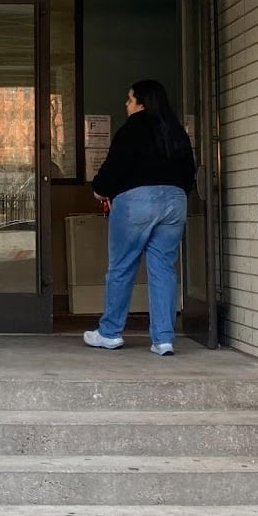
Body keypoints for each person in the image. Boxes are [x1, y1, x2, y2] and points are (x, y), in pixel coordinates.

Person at [82, 79, 196, 356]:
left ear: (141, 103)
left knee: (121, 267)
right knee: (163, 268)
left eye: (130, 99)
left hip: (136, 202)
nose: (126, 104)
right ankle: (163, 339)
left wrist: (100, 189)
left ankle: (110, 332)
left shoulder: (131, 129)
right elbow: (189, 172)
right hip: (175, 202)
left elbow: (114, 167)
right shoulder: (176, 132)